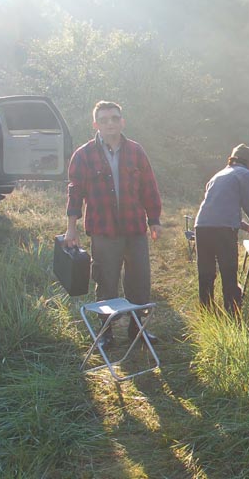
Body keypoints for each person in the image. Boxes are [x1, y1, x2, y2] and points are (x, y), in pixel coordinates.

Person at [64, 101, 162, 347]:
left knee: (139, 280)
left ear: (122, 122)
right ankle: (106, 331)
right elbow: (75, 193)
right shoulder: (83, 155)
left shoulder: (136, 151)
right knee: (106, 280)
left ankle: (137, 329)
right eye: (104, 119)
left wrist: (154, 220)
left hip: (135, 228)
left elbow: (149, 187)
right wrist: (71, 227)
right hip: (103, 229)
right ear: (95, 124)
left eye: (115, 118)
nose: (110, 123)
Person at [194, 144, 249, 316]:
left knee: (206, 274)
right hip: (223, 230)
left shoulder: (218, 175)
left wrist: (247, 227)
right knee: (228, 272)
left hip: (201, 226)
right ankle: (233, 315)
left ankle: (206, 315)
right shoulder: (245, 174)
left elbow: (219, 209)